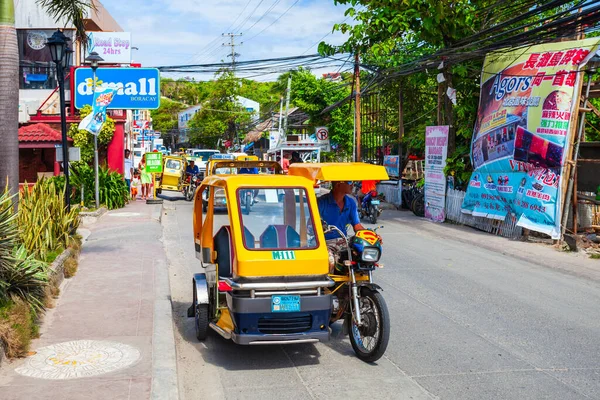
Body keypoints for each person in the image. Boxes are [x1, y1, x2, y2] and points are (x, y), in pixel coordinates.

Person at [317, 181, 366, 273]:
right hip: (324, 243)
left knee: (362, 257)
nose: (352, 185)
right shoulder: (321, 202)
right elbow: (310, 225)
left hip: (343, 242)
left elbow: (357, 225)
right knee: (329, 262)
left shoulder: (351, 202)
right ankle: (326, 286)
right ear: (338, 185)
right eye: (349, 182)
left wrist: (369, 236)